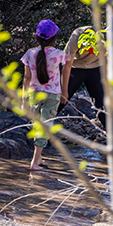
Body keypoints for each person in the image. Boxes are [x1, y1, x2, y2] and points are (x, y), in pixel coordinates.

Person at [21, 20, 70, 172]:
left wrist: (23, 100)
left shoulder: (30, 53)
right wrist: (64, 91)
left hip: (34, 95)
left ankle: (38, 158)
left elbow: (26, 78)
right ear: (54, 38)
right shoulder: (59, 54)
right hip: (52, 95)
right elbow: (67, 65)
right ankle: (34, 163)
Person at [64, 25, 106, 126]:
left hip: (96, 67)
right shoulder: (76, 36)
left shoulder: (105, 37)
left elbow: (107, 58)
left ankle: (111, 129)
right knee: (63, 98)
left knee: (101, 102)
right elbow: (67, 64)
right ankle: (42, 124)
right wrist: (64, 90)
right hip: (76, 67)